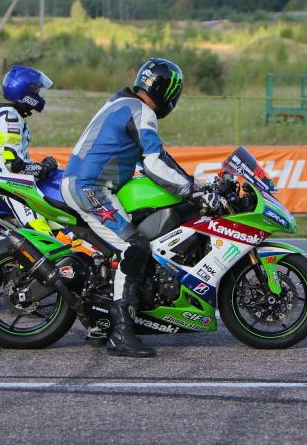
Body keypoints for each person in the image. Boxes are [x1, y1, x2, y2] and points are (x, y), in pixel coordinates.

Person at [61, 58, 213, 358]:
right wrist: (192, 190)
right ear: (167, 91)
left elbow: (156, 157)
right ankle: (121, 333)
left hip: (85, 183)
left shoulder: (122, 102)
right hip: (90, 188)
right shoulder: (141, 111)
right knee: (134, 246)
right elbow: (154, 162)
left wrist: (191, 183)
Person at [0, 65, 57, 179]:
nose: (39, 96)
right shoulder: (11, 118)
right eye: (37, 91)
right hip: (11, 183)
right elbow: (14, 165)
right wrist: (43, 168)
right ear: (25, 93)